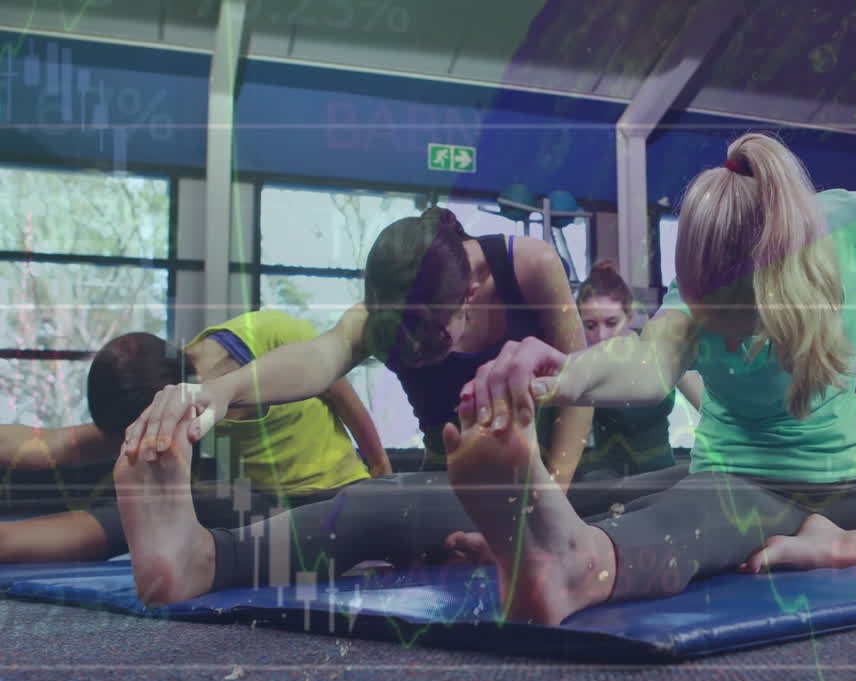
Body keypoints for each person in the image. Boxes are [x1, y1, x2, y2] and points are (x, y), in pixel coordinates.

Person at [435, 132, 856, 625]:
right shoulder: (698, 302)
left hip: (851, 492)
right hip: (735, 482)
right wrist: (558, 375)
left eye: (736, 319)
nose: (722, 332)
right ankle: (566, 556)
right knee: (690, 514)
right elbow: (645, 366)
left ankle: (837, 548)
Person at [109, 207, 594, 604]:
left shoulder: (530, 266)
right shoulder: (387, 309)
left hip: (548, 476)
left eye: (430, 338)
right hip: (455, 477)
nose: (417, 353)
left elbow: (579, 382)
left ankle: (207, 561)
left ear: (470, 295)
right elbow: (322, 356)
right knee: (378, 502)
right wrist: (222, 389)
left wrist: (550, 501)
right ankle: (205, 559)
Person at [0, 310, 390, 563]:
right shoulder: (162, 389)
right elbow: (55, 446)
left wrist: (380, 476)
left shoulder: (271, 335)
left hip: (338, 494)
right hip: (266, 507)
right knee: (145, 510)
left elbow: (344, 398)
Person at [573, 259, 703, 482]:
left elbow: (706, 403)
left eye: (611, 322)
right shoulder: (578, 364)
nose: (602, 336)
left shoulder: (656, 350)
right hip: (602, 483)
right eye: (591, 326)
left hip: (660, 479)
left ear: (629, 316)